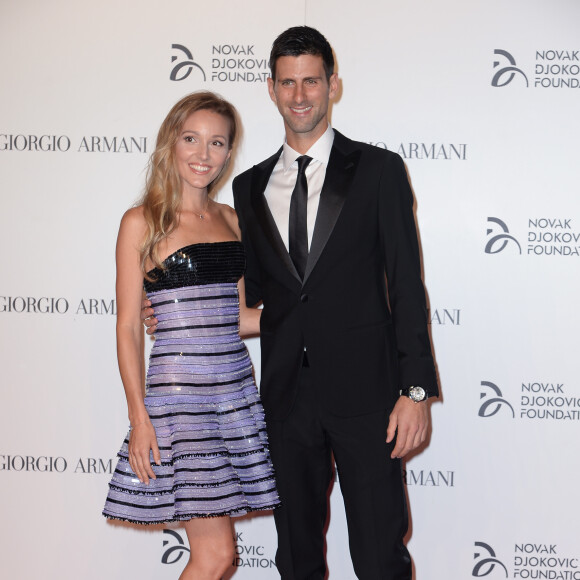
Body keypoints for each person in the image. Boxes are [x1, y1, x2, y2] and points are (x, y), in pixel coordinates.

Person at [145, 27, 438, 580]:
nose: (299, 95)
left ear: (333, 86)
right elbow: (251, 297)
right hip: (284, 406)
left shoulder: (378, 172)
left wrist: (416, 391)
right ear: (272, 89)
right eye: (288, 82)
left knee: (379, 557)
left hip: (370, 403)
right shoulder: (248, 190)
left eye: (311, 81)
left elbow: (406, 285)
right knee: (296, 560)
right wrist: (172, 307)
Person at [103, 91, 280, 580]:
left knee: (215, 556)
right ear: (170, 143)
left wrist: (316, 317)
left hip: (235, 395)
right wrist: (140, 417)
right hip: (182, 403)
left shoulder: (233, 219)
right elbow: (127, 327)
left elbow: (243, 317)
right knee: (217, 556)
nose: (203, 154)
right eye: (191, 139)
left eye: (217, 143)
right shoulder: (142, 222)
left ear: (228, 152)